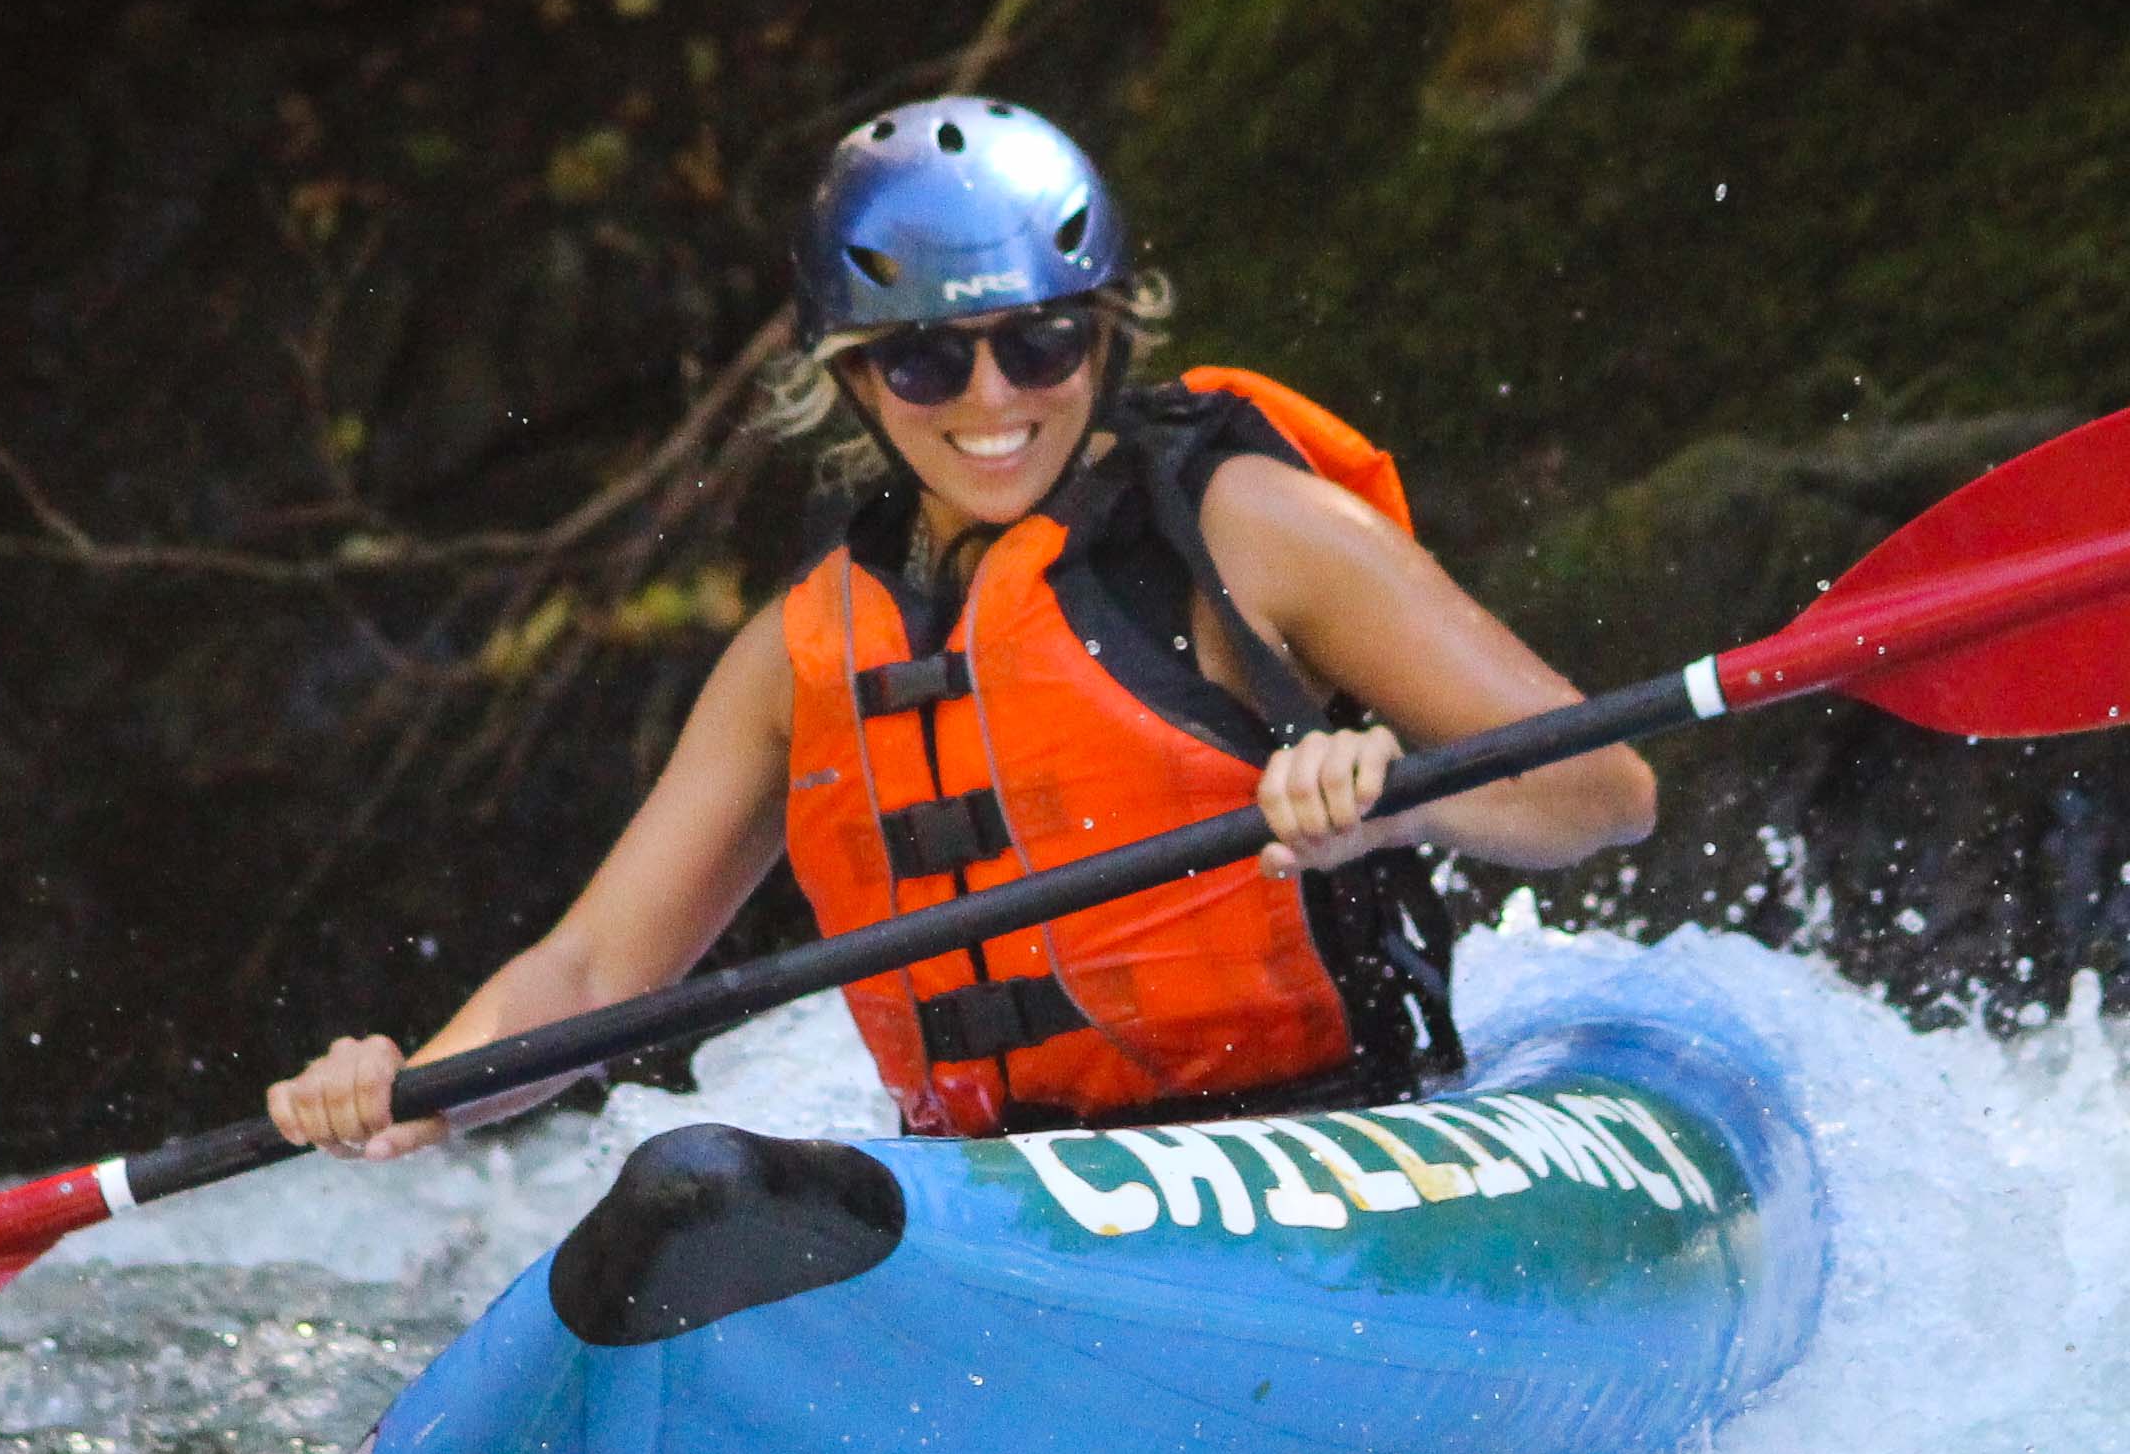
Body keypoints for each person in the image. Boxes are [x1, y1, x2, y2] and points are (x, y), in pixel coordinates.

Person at [269, 96, 1653, 1159]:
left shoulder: (1251, 528)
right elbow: (589, 969)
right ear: (854, 382)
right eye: (928, 358)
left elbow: (1608, 791)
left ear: (1106, 337)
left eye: (1040, 342)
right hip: (1004, 1201)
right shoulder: (796, 656)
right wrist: (418, 1089)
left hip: (1329, 1140)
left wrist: (1397, 803)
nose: (994, 400)